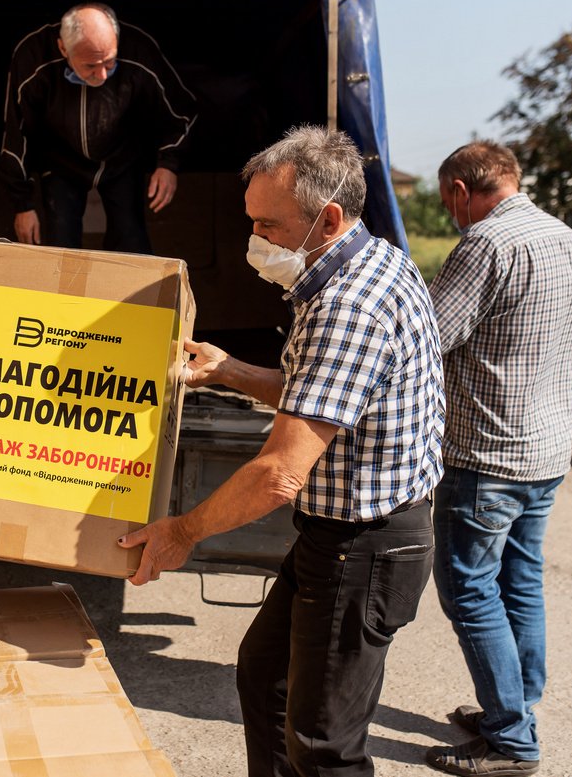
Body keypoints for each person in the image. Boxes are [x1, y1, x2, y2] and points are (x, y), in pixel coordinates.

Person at [119, 126, 446, 777]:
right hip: (343, 534)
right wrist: (229, 368)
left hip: (364, 545)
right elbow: (325, 397)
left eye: (268, 225)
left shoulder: (349, 305)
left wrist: (183, 530)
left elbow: (278, 473)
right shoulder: (365, 262)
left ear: (327, 218)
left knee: (326, 747)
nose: (255, 241)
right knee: (265, 680)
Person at [423, 142, 572, 777]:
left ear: (462, 192)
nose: (451, 216)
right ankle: (515, 708)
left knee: (469, 589)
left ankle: (513, 740)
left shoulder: (485, 245)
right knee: (519, 583)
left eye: (448, 205)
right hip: (547, 451)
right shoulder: (564, 236)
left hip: (487, 455)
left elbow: (431, 337)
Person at [0, 2, 197, 254]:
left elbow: (180, 111)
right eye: (90, 66)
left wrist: (168, 163)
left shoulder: (138, 49)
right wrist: (22, 205)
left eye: (110, 62)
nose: (102, 75)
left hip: (122, 156)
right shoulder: (33, 55)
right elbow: (17, 132)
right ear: (63, 48)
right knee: (60, 249)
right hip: (60, 160)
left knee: (131, 244)